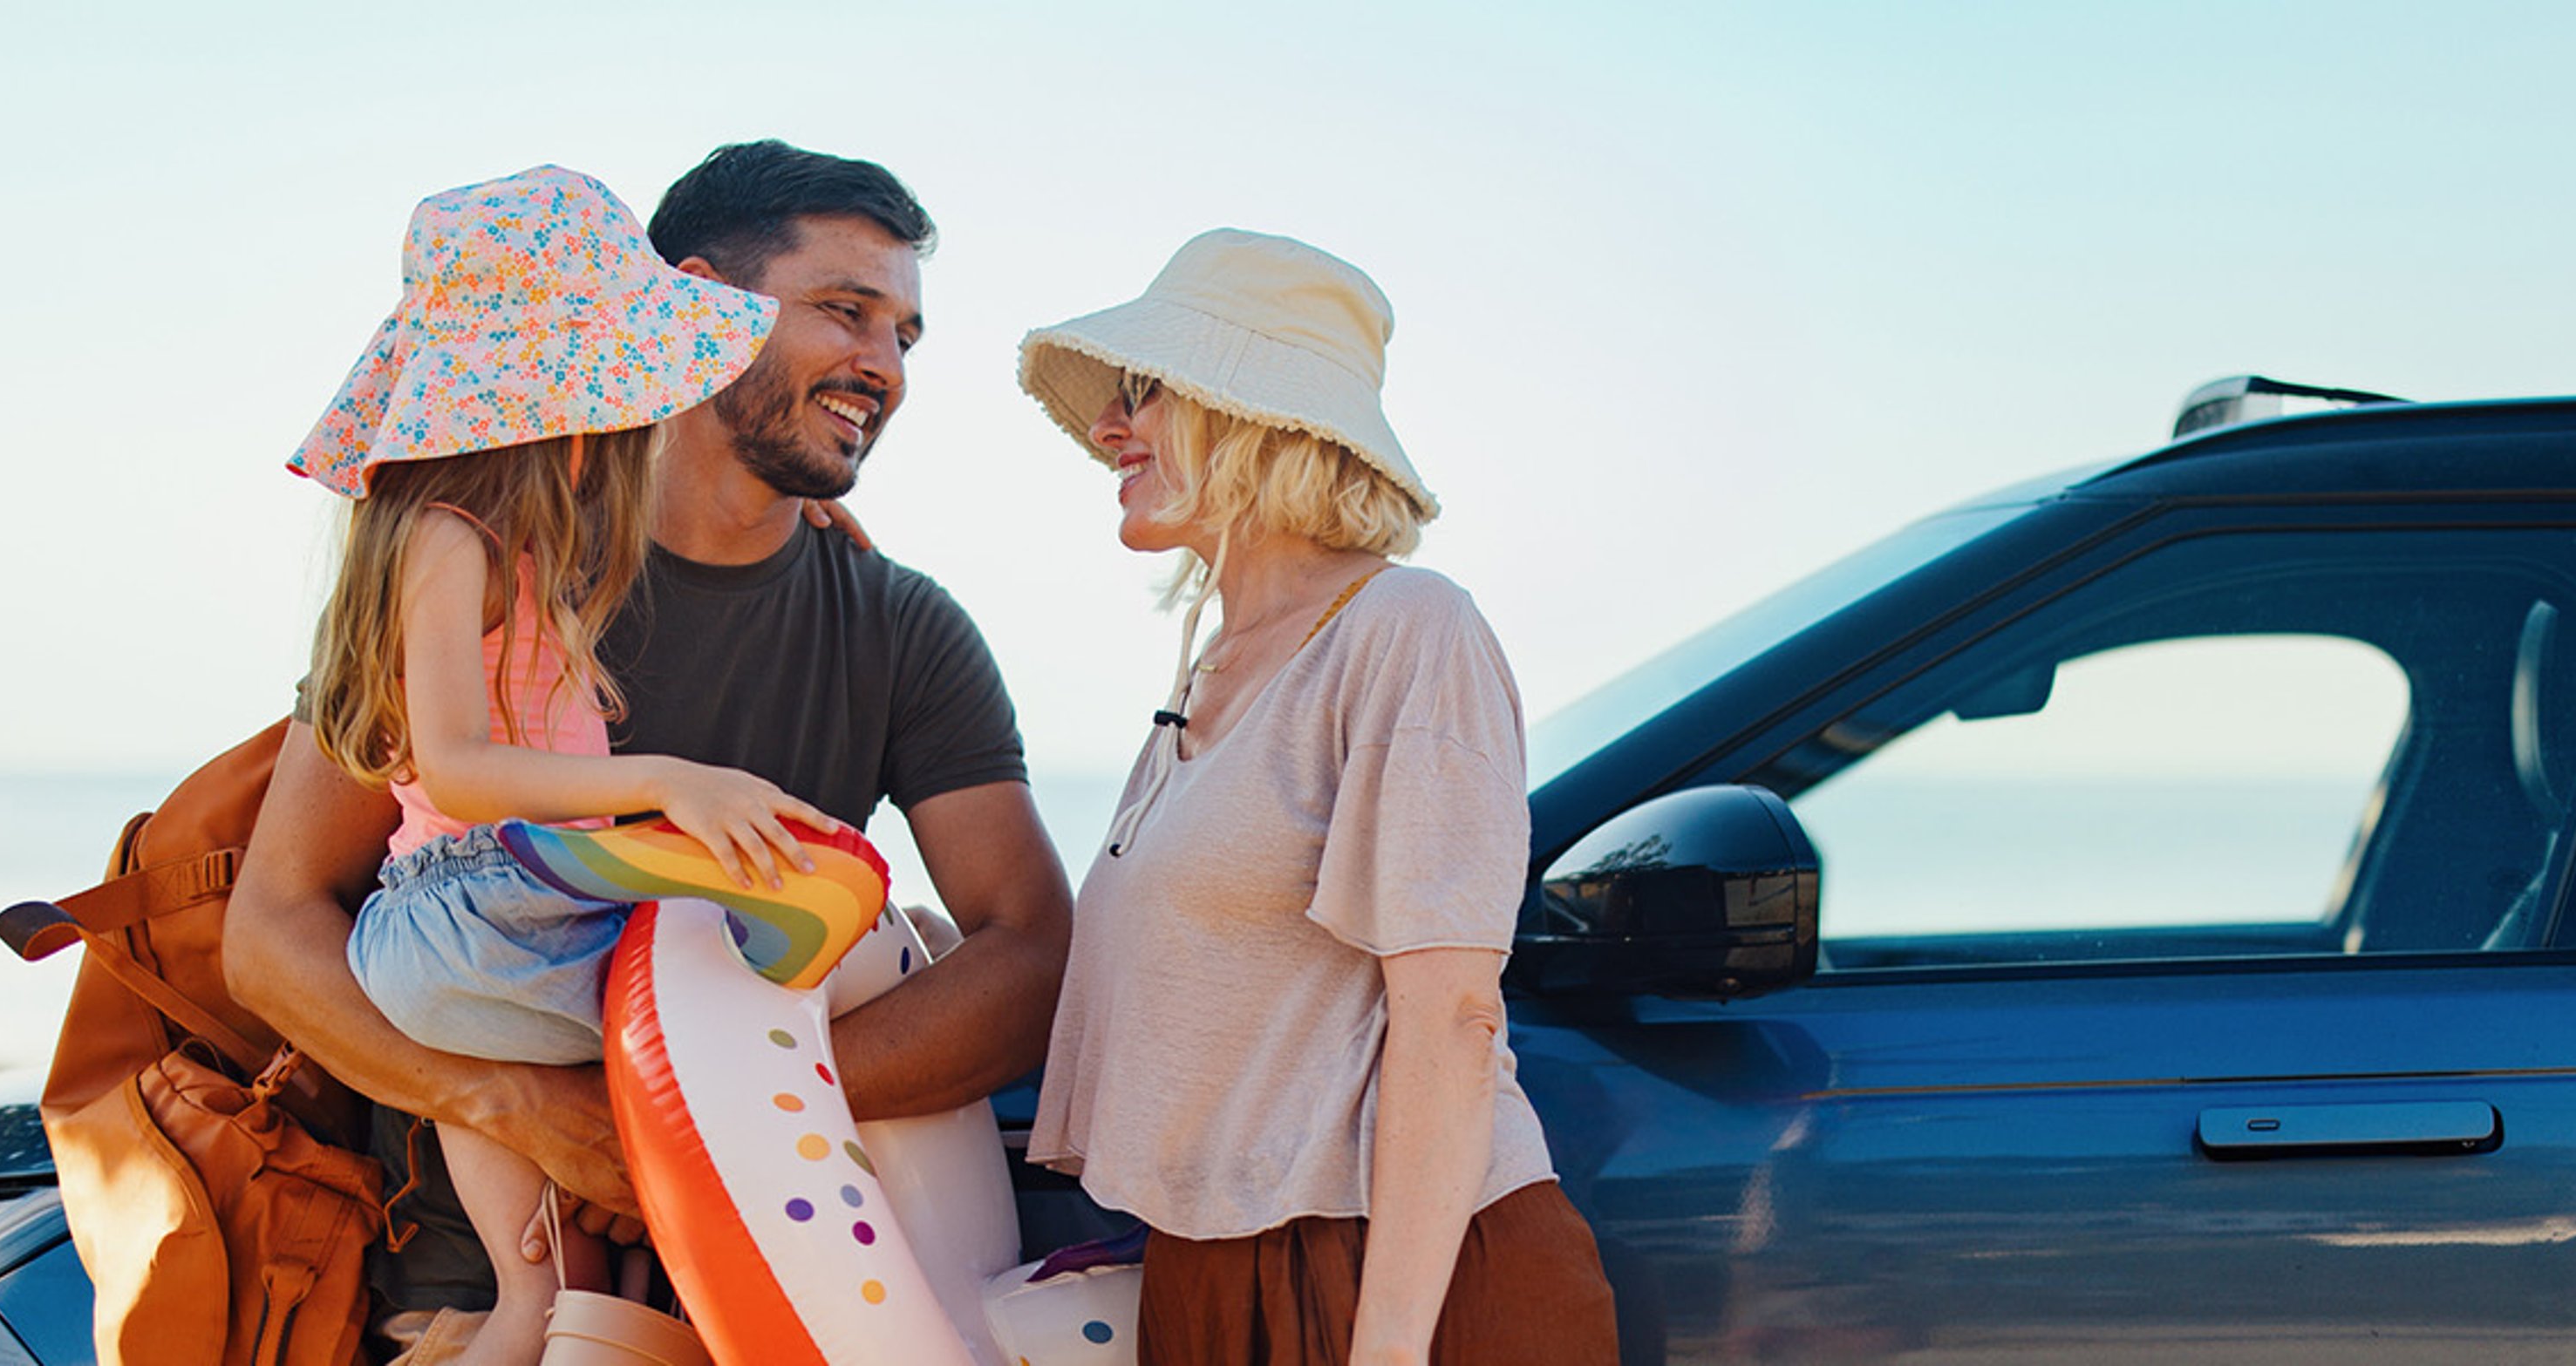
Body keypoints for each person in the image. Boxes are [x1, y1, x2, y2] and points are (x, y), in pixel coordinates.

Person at [221, 141, 1074, 1359]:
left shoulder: (897, 622)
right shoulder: (486, 557)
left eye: (904, 335)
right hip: (470, 1307)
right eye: (845, 312)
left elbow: (1028, 950)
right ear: (696, 307)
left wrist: (698, 1113)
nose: (881, 365)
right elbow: (275, 930)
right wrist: (514, 1103)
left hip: (766, 1290)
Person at [1016, 229, 1620, 1365]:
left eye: (1144, 394)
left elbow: (1450, 1014)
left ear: (1251, 413)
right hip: (1217, 1268)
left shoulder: (1408, 631)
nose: (1108, 428)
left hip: (1395, 1284)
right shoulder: (1211, 670)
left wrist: (1384, 1353)